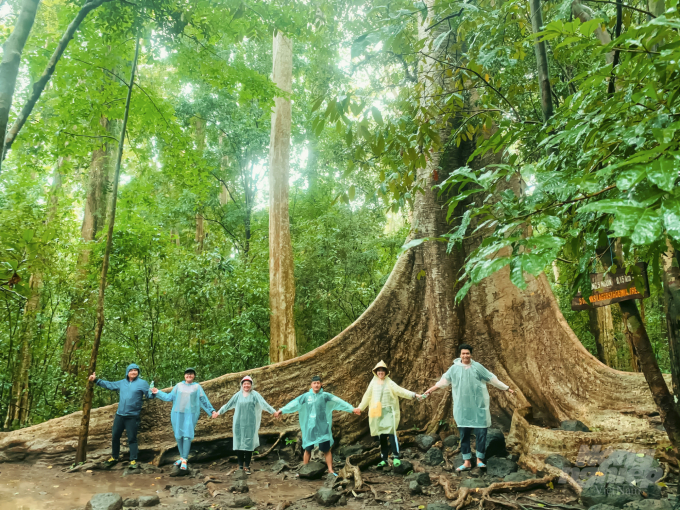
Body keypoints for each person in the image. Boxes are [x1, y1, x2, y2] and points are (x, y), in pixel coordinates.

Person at [424, 344, 514, 472]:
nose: (465, 356)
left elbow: (492, 379)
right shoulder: (454, 369)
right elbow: (443, 382)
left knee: (481, 433)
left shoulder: (477, 367)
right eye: (463, 353)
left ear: (471, 354)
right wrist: (431, 390)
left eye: (467, 353)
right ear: (460, 355)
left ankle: (479, 459)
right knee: (464, 435)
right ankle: (466, 461)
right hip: (462, 408)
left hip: (478, 406)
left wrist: (506, 388)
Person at [274, 376, 361, 476]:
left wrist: (352, 409)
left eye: (318, 383)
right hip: (310, 428)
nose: (316, 385)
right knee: (307, 449)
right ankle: (305, 469)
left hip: (322, 427)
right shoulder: (305, 396)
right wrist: (281, 410)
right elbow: (294, 403)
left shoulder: (325, 396)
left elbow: (339, 401)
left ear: (321, 384)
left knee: (326, 450)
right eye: (314, 383)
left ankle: (330, 470)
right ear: (311, 385)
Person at [151, 367, 218, 473]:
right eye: (187, 374)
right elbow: (169, 397)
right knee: (178, 436)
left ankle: (185, 459)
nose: (189, 375)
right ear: (184, 375)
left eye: (191, 374)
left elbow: (203, 400)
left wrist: (212, 411)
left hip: (190, 414)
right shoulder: (179, 386)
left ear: (194, 376)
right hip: (177, 413)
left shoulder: (197, 387)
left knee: (187, 436)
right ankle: (182, 458)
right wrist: (157, 392)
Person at [358, 360, 424, 468]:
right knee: (382, 436)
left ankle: (396, 457)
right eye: (378, 370)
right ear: (376, 372)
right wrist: (360, 408)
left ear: (385, 372)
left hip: (389, 411)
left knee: (391, 433)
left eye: (382, 370)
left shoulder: (389, 382)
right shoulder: (373, 383)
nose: (380, 372)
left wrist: (414, 395)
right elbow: (367, 396)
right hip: (378, 412)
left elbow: (400, 391)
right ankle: (384, 458)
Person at [88, 363, 151, 470]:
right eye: (131, 370)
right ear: (127, 372)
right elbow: (110, 385)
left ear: (138, 372)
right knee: (115, 436)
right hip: (120, 415)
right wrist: (96, 380)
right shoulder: (122, 383)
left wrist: (154, 393)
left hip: (132, 416)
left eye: (136, 370)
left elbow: (149, 395)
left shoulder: (142, 383)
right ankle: (114, 457)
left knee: (132, 438)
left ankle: (133, 460)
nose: (134, 372)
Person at [216, 375, 276, 474]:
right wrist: (218, 412)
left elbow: (264, 404)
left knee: (249, 444)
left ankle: (247, 466)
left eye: (248, 384)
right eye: (245, 384)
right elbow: (228, 405)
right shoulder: (237, 395)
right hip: (238, 423)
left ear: (251, 385)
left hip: (250, 423)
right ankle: (240, 466)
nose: (246, 385)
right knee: (239, 443)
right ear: (242, 385)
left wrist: (273, 412)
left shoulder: (255, 395)